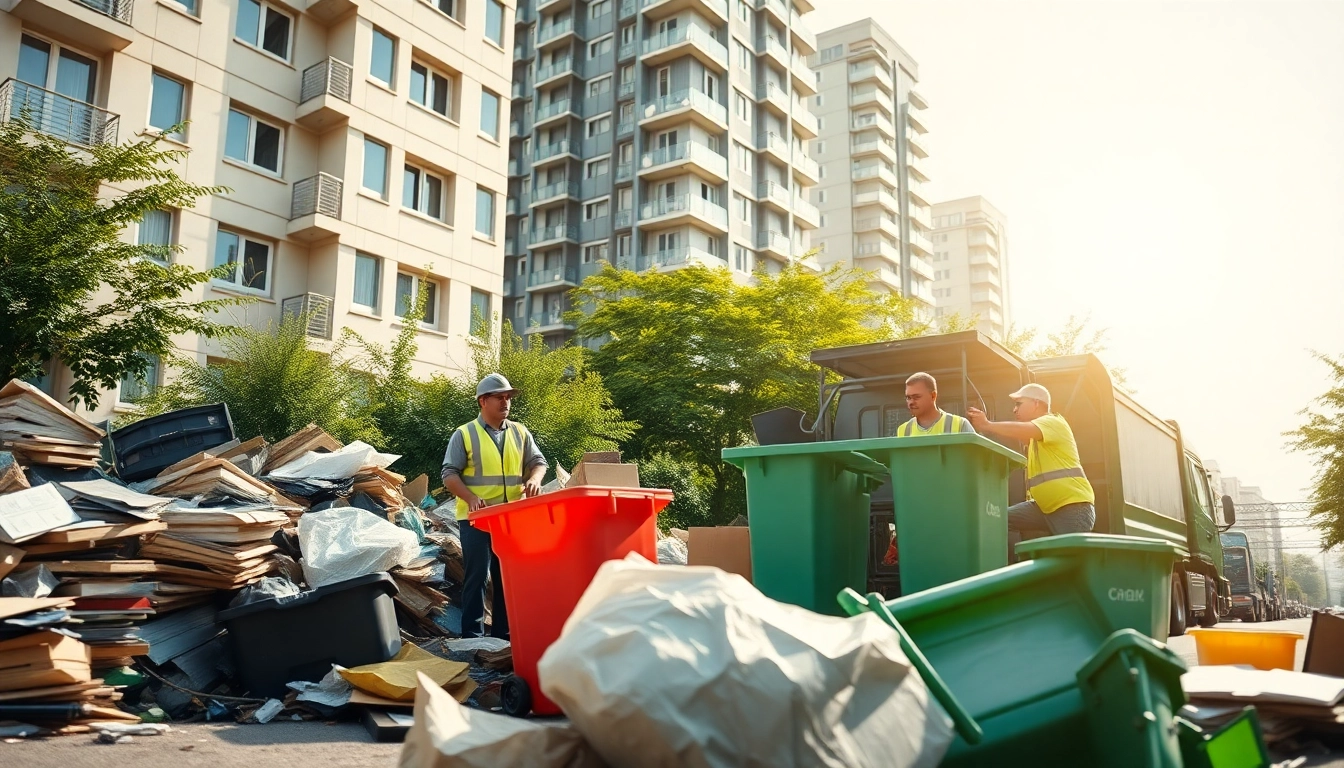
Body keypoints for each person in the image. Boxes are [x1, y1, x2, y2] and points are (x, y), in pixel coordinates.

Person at [441, 373, 548, 638]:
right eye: (499, 397)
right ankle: (472, 637)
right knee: (477, 577)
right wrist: (470, 497)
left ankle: (503, 635)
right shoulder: (464, 434)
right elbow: (449, 474)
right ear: (482, 401)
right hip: (476, 519)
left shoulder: (520, 432)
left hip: (510, 519)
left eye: (508, 397)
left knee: (507, 578)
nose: (506, 402)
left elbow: (538, 462)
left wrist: (534, 479)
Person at [966, 383, 1095, 535]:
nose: (1014, 409)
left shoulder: (1054, 422)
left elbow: (1019, 429)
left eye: (1018, 404)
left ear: (1036, 403)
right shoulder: (1035, 440)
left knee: (1069, 557)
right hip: (1043, 508)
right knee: (998, 519)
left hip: (1072, 508)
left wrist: (987, 425)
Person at [896, 372, 976, 436]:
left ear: (933, 396)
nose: (911, 402)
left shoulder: (960, 425)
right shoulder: (903, 431)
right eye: (908, 398)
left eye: (916, 397)